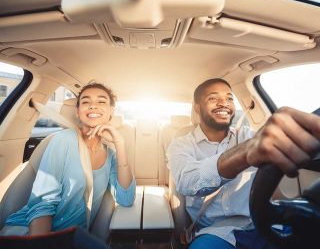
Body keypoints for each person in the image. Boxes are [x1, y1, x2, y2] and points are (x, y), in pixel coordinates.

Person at [167, 78, 320, 249]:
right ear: (197, 107)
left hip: (261, 223)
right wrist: (244, 153)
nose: (223, 103)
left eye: (229, 98)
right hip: (216, 232)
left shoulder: (249, 135)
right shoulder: (181, 144)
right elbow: (187, 181)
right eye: (213, 98)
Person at [0, 82, 136, 236]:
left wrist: (120, 144)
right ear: (78, 112)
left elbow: (126, 199)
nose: (93, 106)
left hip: (71, 236)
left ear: (111, 111)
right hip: (30, 233)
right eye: (85, 101)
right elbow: (43, 202)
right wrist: (40, 243)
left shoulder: (111, 154)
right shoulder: (63, 140)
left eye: (101, 101)